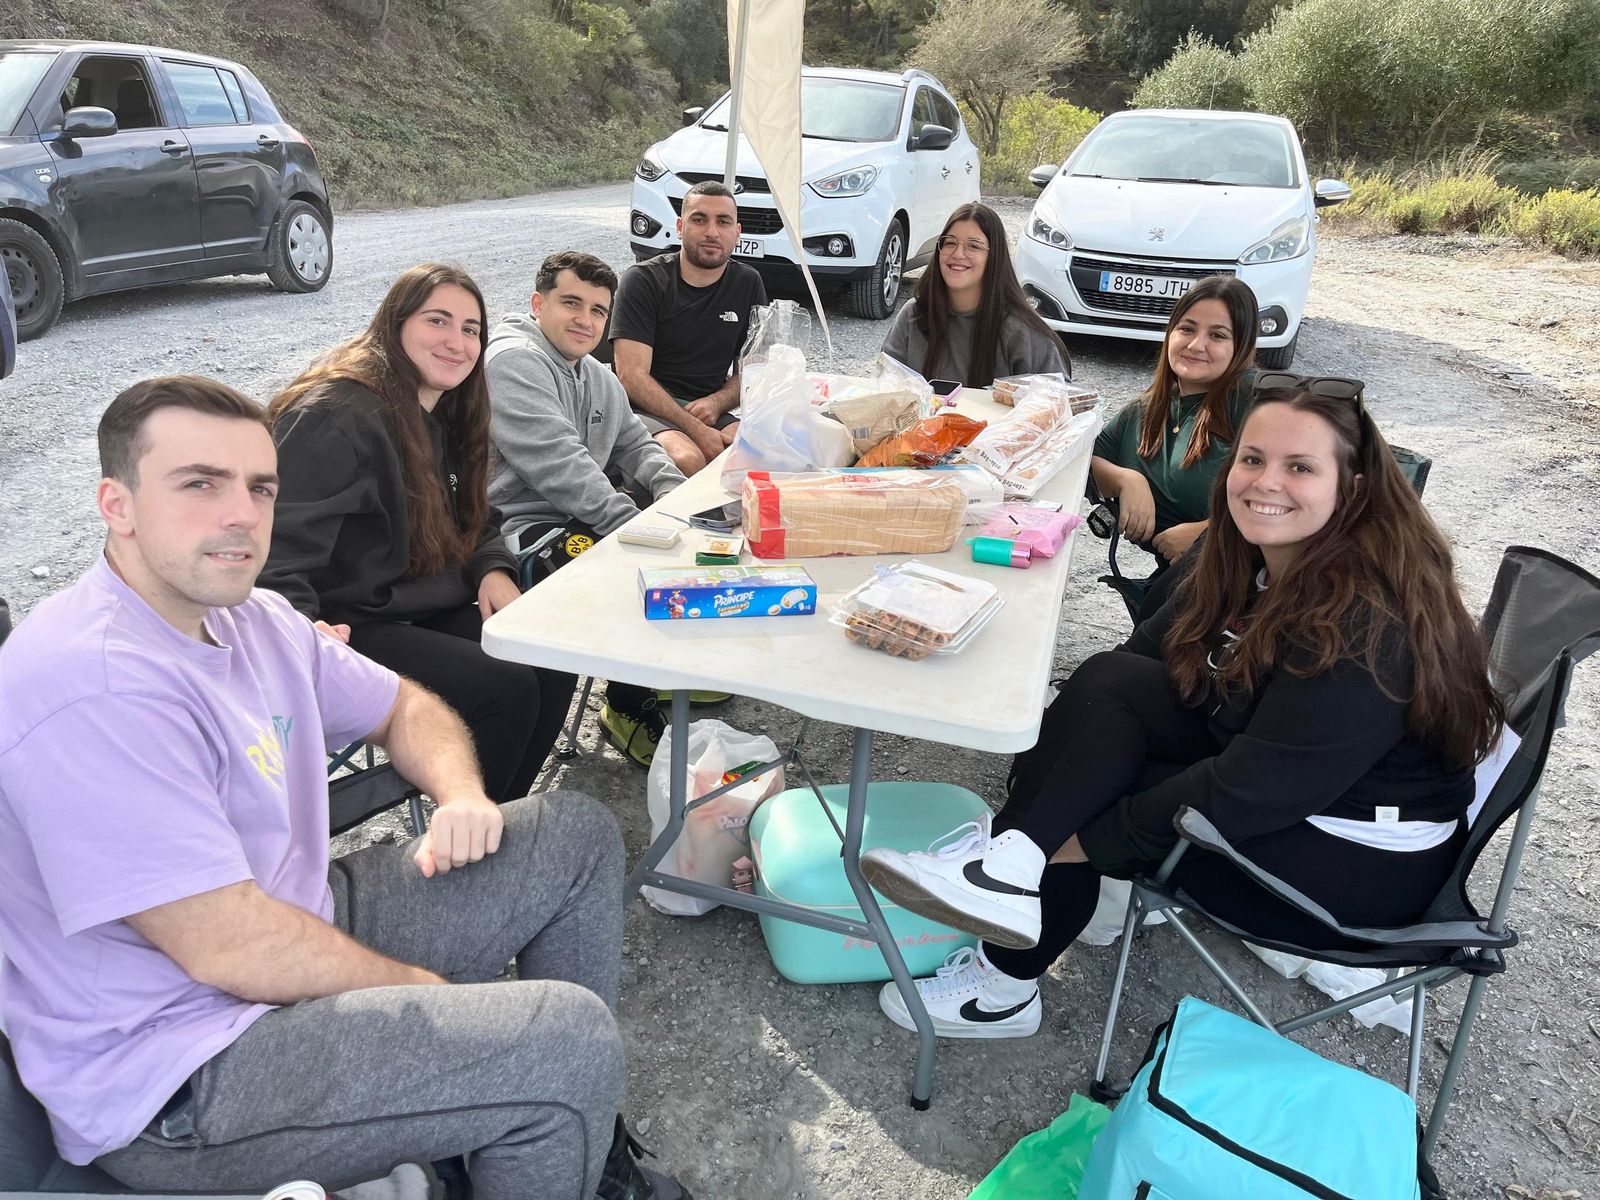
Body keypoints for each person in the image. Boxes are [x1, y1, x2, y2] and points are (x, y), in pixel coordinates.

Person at [0, 376, 688, 1199]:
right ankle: (543, 1102)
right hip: (176, 1073)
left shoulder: (252, 619)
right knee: (560, 1038)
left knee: (572, 838)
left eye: (260, 488)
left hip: (284, 926)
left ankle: (557, 1127)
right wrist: (423, 997)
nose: (241, 515)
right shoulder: (92, 682)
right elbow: (227, 945)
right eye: (199, 484)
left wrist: (463, 794)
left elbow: (406, 706)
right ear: (118, 504)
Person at [862, 384, 1505, 1039]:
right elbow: (1139, 660)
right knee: (1104, 691)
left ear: (1355, 488)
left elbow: (1249, 792)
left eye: (1301, 467)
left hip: (1351, 862)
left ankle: (1002, 980)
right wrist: (1079, 748)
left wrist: (1083, 839)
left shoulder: (1366, 628)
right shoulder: (1249, 552)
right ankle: (1008, 865)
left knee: (1083, 799)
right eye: (1252, 459)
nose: (1265, 483)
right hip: (1280, 768)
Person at [259, 262, 575, 804]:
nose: (456, 342)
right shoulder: (335, 415)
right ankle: (478, 835)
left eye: (471, 329)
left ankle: (504, 816)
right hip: (344, 622)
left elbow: (477, 513)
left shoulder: (445, 408)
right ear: (396, 323)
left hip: (417, 600)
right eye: (438, 321)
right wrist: (305, 630)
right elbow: (272, 548)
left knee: (550, 654)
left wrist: (492, 567)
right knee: (506, 689)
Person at [485, 249, 699, 767]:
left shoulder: (595, 372)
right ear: (538, 303)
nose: (586, 320)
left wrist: (679, 501)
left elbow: (636, 445)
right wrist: (642, 528)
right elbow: (562, 466)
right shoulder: (513, 361)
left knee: (680, 547)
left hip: (576, 515)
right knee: (635, 568)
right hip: (517, 526)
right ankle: (627, 702)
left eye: (599, 311)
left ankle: (654, 676)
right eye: (571, 303)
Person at [1090, 275, 1259, 583]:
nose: (1197, 345)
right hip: (1183, 584)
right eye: (1187, 329)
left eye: (1218, 335)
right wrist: (1126, 479)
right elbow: (1084, 458)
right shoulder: (1147, 409)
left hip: (1246, 589)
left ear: (1241, 346)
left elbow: (1295, 498)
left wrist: (1206, 534)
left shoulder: (1254, 403)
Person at [612, 180, 768, 477]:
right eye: (699, 219)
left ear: (737, 232)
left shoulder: (748, 283)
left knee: (758, 454)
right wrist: (694, 427)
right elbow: (631, 377)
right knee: (688, 459)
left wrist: (717, 401)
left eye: (723, 222)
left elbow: (753, 369)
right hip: (643, 409)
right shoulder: (643, 281)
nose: (711, 231)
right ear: (681, 226)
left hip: (706, 407)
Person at [880, 201, 1067, 389]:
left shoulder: (1023, 330)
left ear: (994, 257)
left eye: (974, 246)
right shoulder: (913, 315)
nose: (958, 254)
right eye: (950, 243)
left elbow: (1058, 404)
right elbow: (885, 389)